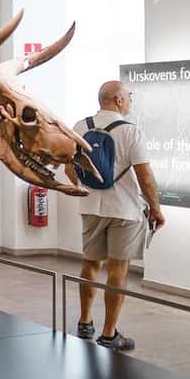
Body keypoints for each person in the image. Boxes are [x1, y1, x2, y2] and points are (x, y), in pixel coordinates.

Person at [67, 81, 165, 351]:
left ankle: (84, 323)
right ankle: (109, 334)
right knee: (117, 270)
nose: (130, 101)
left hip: (90, 206)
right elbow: (145, 177)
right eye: (129, 96)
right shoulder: (130, 132)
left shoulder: (80, 127)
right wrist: (156, 209)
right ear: (119, 100)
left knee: (90, 264)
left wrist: (89, 189)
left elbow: (70, 171)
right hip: (124, 209)